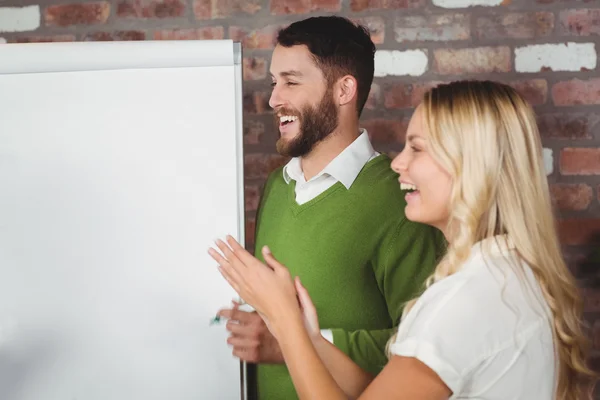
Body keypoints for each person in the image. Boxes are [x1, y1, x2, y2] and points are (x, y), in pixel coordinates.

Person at [209, 80, 596, 399]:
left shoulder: (468, 301)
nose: (398, 162)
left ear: (473, 165)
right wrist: (310, 337)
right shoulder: (504, 275)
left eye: (418, 148)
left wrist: (284, 319)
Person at [215, 16, 445, 399]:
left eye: (291, 82)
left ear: (343, 90)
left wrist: (287, 343)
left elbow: (423, 346)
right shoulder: (276, 186)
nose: (273, 99)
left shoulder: (399, 198)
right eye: (274, 83)